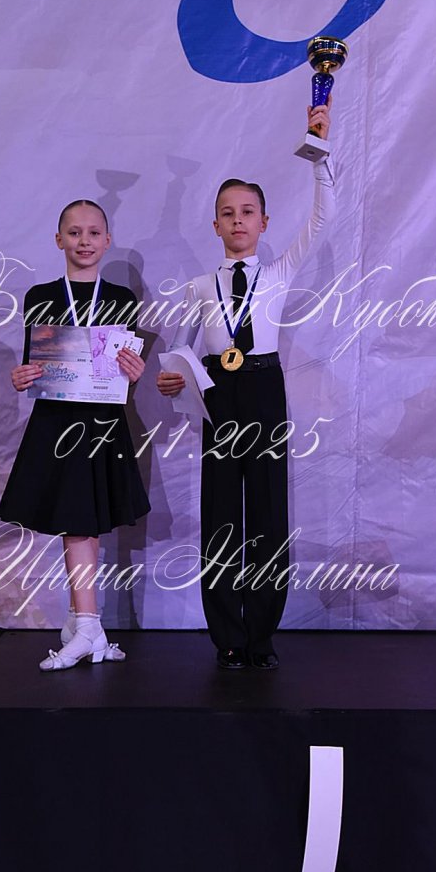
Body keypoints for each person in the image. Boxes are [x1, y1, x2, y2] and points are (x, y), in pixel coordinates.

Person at [157, 101, 335, 670]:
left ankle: (261, 635)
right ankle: (227, 636)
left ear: (264, 222)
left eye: (248, 212)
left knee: (266, 512)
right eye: (227, 213)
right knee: (220, 514)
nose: (238, 221)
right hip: (218, 394)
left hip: (263, 389)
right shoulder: (198, 286)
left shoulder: (279, 272)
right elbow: (180, 349)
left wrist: (319, 155)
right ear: (215, 225)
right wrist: (171, 378)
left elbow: (323, 219)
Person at [0, 199, 150, 670]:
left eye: (94, 232)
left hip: (100, 424)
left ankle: (85, 625)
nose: (85, 241)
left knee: (83, 521)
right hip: (57, 422)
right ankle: (85, 624)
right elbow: (35, 365)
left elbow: (119, 373)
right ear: (59, 239)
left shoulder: (121, 298)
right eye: (75, 232)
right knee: (77, 521)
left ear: (107, 240)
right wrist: (20, 376)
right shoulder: (41, 296)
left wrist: (135, 373)